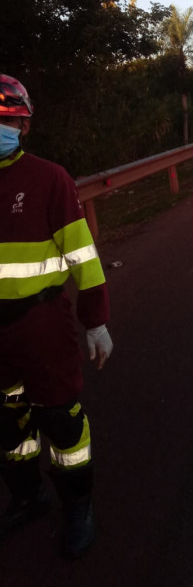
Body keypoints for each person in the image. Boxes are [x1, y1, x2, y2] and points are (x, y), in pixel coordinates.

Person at [0, 74, 112, 559]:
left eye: (6, 120)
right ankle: (28, 498)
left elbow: (84, 259)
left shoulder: (49, 179)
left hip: (40, 326)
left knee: (61, 423)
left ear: (23, 127)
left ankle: (77, 508)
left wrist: (97, 320)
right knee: (8, 426)